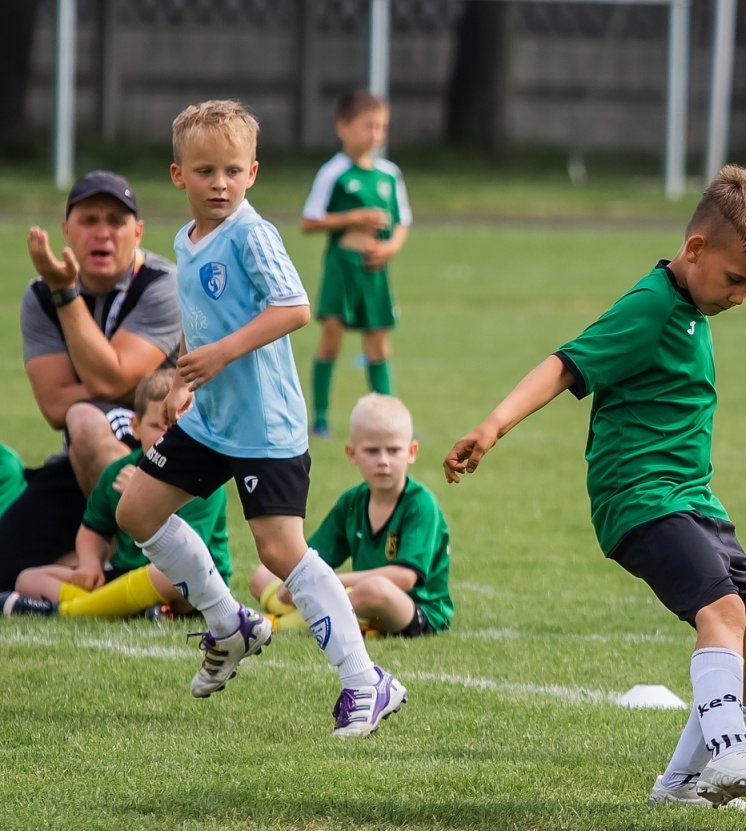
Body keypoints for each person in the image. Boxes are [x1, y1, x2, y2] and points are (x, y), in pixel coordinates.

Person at [444, 165, 746, 811]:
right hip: (640, 497)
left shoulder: (691, 307)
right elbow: (564, 363)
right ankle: (728, 752)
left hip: (693, 499)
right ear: (696, 250)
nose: (742, 295)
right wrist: (492, 426)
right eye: (736, 278)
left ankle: (680, 785)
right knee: (720, 614)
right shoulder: (653, 303)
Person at [114, 99, 406, 739]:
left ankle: (366, 681)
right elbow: (202, 326)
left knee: (280, 551)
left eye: (231, 170)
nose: (219, 183)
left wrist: (219, 354)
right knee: (136, 511)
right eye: (204, 171)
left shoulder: (252, 233)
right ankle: (230, 623)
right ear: (177, 175)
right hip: (210, 421)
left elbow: (295, 307)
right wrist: (187, 376)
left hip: (265, 427)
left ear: (252, 173)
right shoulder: (184, 242)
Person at [0, 172, 182, 590]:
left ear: (137, 232)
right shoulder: (39, 294)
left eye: (116, 221)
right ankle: (109, 571)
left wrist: (66, 294)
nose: (103, 233)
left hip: (158, 460)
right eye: (89, 220)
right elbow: (52, 405)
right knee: (5, 566)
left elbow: (106, 376)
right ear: (66, 230)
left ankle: (139, 560)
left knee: (84, 417)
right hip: (79, 459)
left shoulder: (162, 285)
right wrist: (128, 385)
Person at [3, 369, 230, 619]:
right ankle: (125, 607)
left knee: (166, 576)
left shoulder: (204, 480)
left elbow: (188, 555)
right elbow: (93, 528)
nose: (167, 436)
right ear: (135, 426)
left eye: (177, 427)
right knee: (29, 579)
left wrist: (144, 498)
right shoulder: (117, 472)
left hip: (190, 581)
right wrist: (89, 564)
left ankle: (73, 609)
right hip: (126, 573)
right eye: (156, 426)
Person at [253, 394, 451, 638]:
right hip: (358, 598)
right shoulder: (353, 501)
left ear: (411, 451)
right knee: (264, 574)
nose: (384, 461)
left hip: (413, 607)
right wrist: (298, 582)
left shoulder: (420, 504)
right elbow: (314, 557)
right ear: (352, 453)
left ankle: (279, 624)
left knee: (372, 591)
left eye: (393, 450)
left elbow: (404, 578)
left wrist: (329, 582)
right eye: (372, 451)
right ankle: (336, 615)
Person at [302, 88, 412, 437]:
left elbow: (403, 221)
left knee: (378, 344)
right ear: (343, 127)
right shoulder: (334, 172)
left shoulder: (389, 174)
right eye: (368, 126)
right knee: (331, 340)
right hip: (341, 267)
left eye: (382, 127)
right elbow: (309, 221)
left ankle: (387, 420)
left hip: (374, 270)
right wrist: (354, 217)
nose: (376, 135)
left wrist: (390, 248)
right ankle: (320, 419)